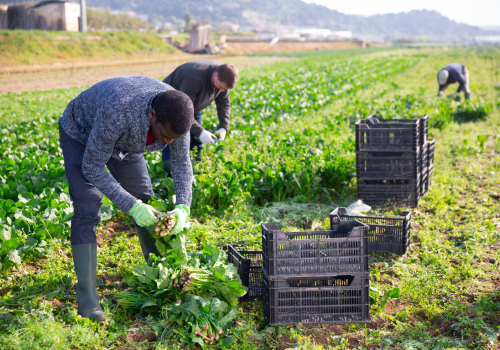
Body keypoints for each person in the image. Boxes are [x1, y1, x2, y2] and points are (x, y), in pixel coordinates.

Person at [58, 76, 194, 322]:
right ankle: (88, 297)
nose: (169, 142)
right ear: (152, 114)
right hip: (82, 134)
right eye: (165, 135)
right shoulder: (118, 112)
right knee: (88, 208)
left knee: (144, 196)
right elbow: (92, 167)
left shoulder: (177, 114)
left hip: (126, 142)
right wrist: (131, 207)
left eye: (174, 137)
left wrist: (183, 205)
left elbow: (182, 164)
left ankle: (161, 277)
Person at [161, 59, 239, 175]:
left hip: (192, 105)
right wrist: (201, 131)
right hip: (171, 105)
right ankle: (169, 175)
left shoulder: (224, 77)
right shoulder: (194, 78)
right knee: (172, 139)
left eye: (225, 89)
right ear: (216, 75)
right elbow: (182, 111)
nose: (222, 91)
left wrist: (224, 127)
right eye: (221, 87)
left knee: (196, 141)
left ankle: (195, 169)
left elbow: (224, 104)